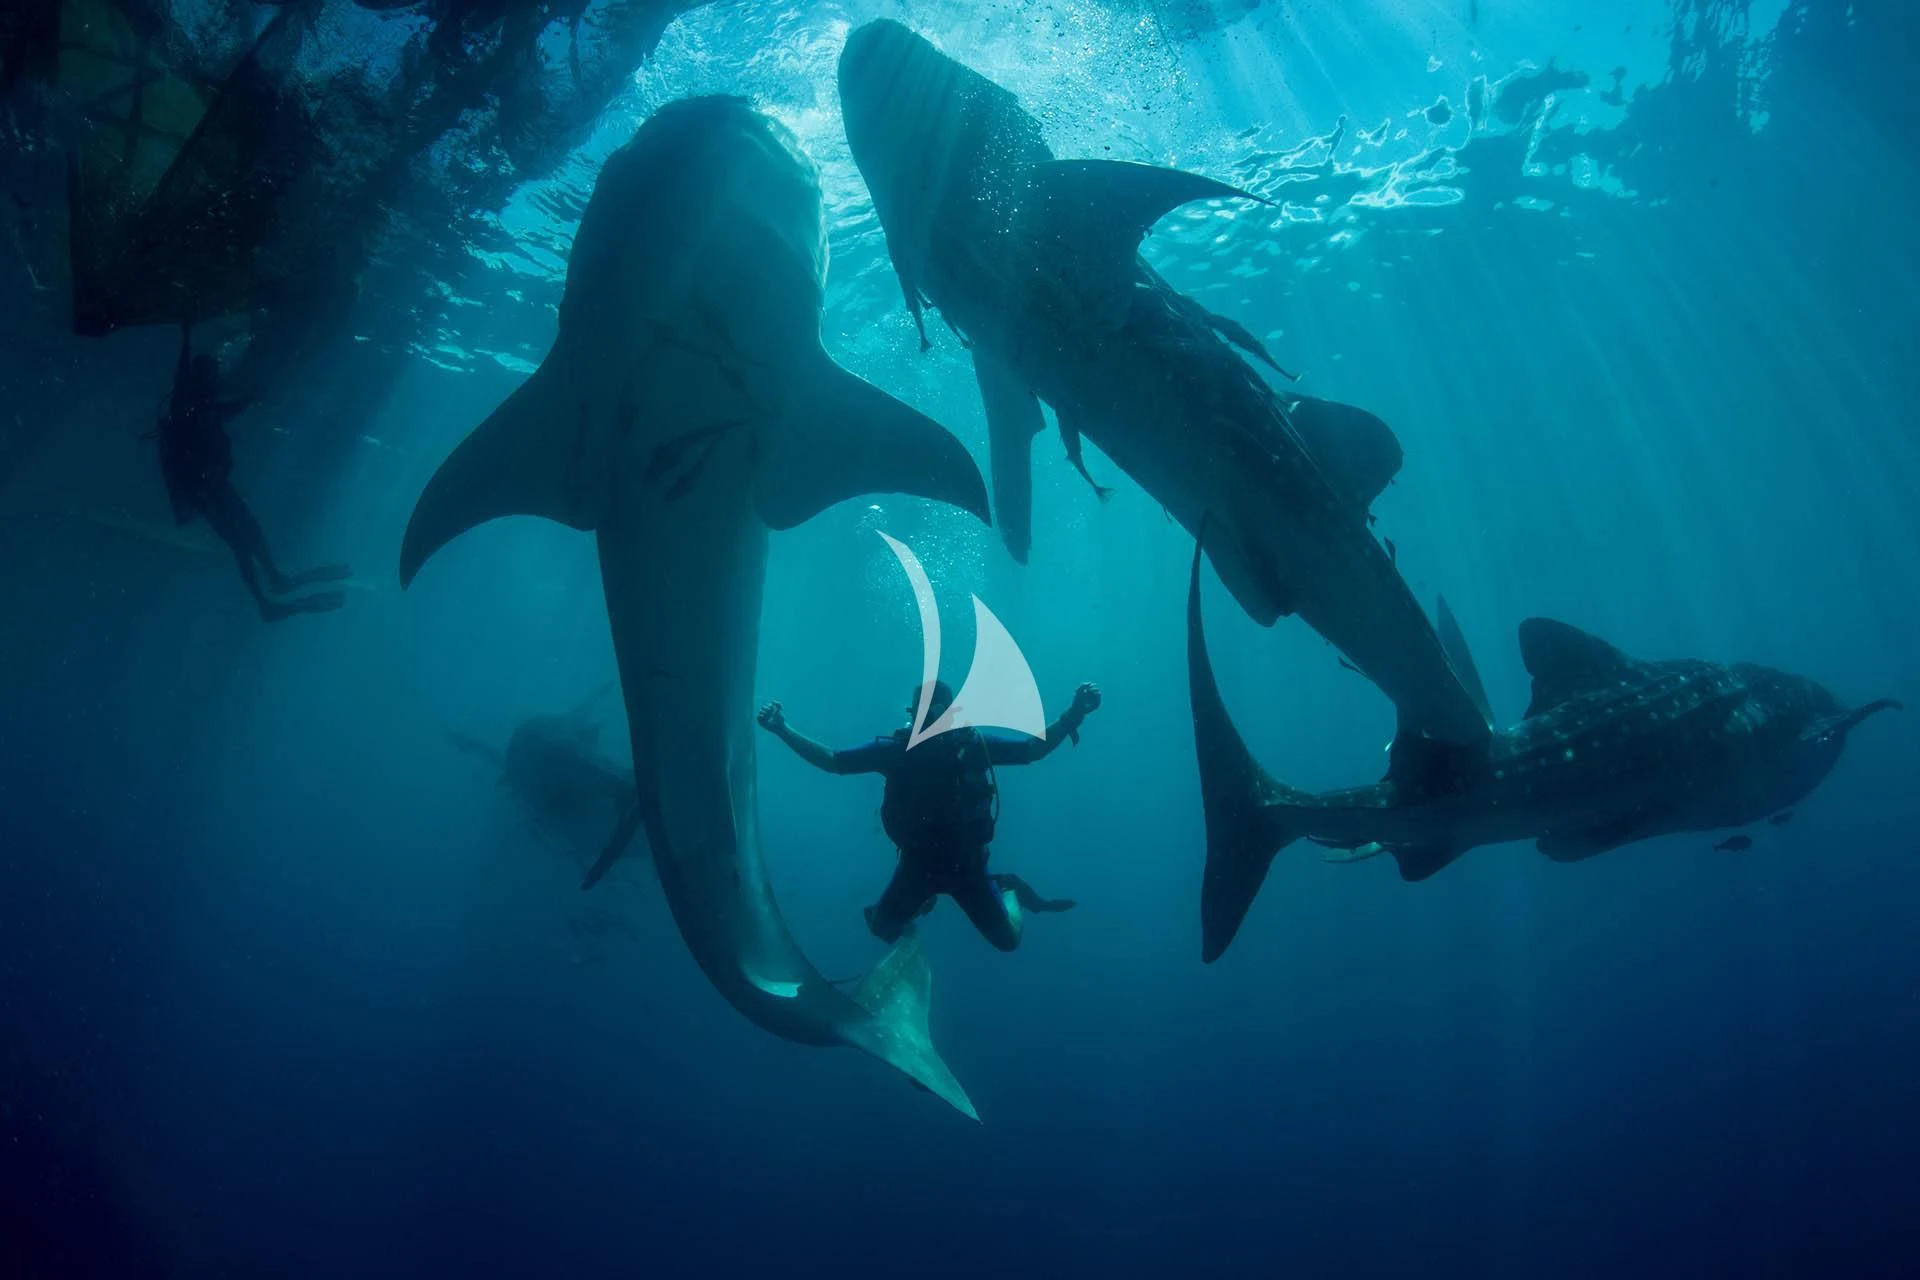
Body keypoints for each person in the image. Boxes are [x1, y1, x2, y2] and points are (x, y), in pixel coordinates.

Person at [757, 679, 1102, 951]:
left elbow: (1032, 750)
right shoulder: (894, 751)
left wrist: (1073, 715)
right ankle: (923, 901)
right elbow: (834, 762)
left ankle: (1008, 891)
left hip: (968, 868)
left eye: (938, 713)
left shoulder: (973, 746)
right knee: (880, 929)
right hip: (918, 866)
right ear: (913, 713)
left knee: (1009, 941)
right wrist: (783, 730)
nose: (931, 721)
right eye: (924, 713)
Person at [154, 326, 350, 621]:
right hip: (202, 488)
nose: (215, 380)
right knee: (239, 540)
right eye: (211, 374)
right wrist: (186, 336)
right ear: (200, 377)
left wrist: (252, 399)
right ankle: (266, 599)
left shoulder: (205, 408)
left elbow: (232, 408)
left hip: (213, 485)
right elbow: (183, 379)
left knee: (247, 531)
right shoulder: (185, 404)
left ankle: (273, 581)